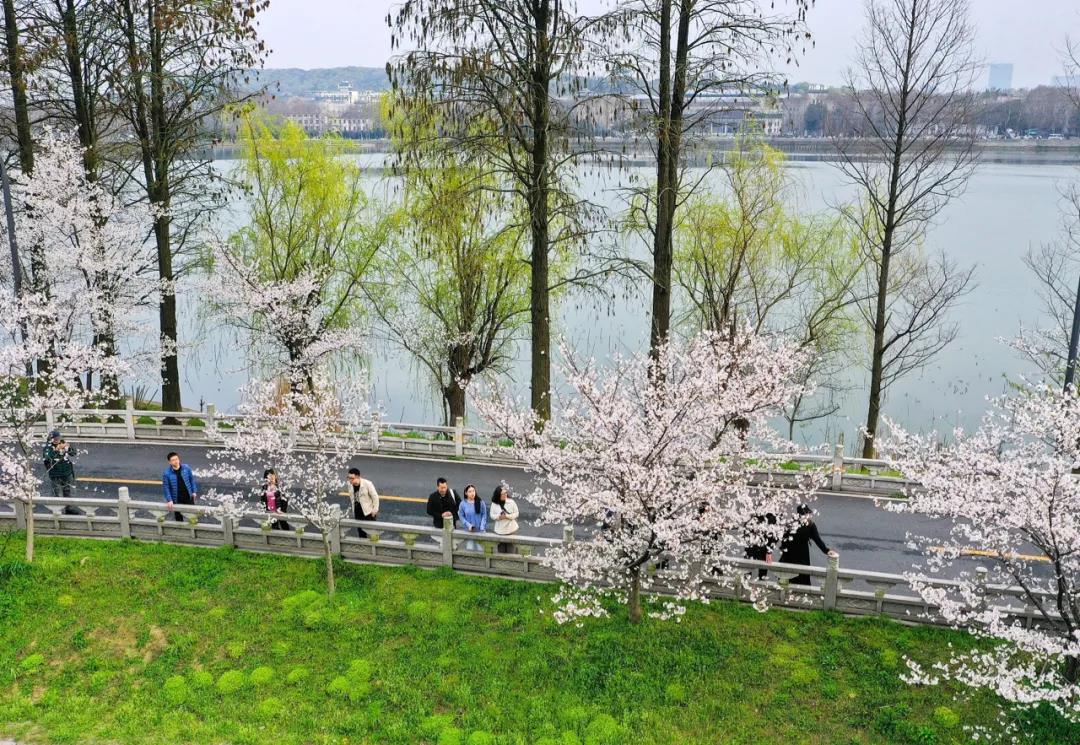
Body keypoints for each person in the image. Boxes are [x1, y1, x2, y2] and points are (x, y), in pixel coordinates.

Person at [778, 504, 839, 586]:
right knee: (798, 581)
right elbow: (817, 540)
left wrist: (826, 550)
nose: (808, 515)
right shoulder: (807, 525)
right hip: (798, 556)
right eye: (807, 514)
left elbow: (784, 541)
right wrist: (826, 550)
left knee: (791, 580)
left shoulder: (795, 523)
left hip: (794, 556)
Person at [43, 430, 79, 515]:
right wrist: (56, 449)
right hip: (55, 474)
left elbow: (73, 453)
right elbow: (48, 458)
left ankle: (69, 508)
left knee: (67, 491)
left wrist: (68, 447)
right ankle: (57, 510)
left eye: (58, 438)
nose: (57, 440)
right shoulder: (48, 447)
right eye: (55, 439)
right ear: (51, 439)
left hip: (66, 472)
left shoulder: (63, 443)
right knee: (56, 493)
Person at [162, 451, 199, 523]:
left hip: (188, 496)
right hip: (177, 499)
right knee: (179, 519)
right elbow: (166, 488)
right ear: (169, 462)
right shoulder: (166, 474)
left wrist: (194, 491)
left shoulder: (186, 468)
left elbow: (191, 480)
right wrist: (169, 500)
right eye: (173, 460)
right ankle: (180, 529)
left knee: (192, 516)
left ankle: (193, 529)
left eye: (177, 459)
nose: (176, 461)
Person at [743, 510, 778, 580]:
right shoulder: (759, 523)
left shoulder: (758, 522)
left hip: (757, 548)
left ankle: (749, 579)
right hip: (758, 548)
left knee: (750, 569)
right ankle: (758, 579)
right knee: (760, 570)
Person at [426, 477, 460, 545]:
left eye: (445, 487)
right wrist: (441, 515)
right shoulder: (433, 497)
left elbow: (460, 505)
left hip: (451, 524)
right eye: (441, 488)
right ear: (437, 487)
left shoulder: (453, 493)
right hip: (439, 525)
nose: (443, 490)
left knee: (452, 543)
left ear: (447, 486)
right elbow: (429, 510)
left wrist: (451, 513)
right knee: (441, 544)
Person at [347, 467, 379, 538]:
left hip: (368, 513)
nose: (350, 480)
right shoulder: (349, 484)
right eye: (348, 478)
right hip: (357, 513)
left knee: (373, 534)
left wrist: (375, 509)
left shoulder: (367, 484)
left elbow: (375, 497)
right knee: (361, 534)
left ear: (358, 477)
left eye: (352, 478)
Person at [490, 484, 519, 554]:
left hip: (511, 529)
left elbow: (516, 513)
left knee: (511, 550)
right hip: (500, 530)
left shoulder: (511, 502)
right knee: (501, 550)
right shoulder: (494, 504)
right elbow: (492, 515)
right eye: (502, 494)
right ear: (498, 495)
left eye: (505, 493)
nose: (505, 495)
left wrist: (507, 516)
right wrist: (499, 517)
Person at [457, 484, 487, 551]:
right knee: (470, 548)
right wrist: (468, 525)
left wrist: (482, 527)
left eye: (473, 491)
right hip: (469, 531)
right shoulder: (463, 504)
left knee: (480, 549)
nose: (472, 493)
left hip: (480, 531)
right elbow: (461, 516)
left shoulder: (481, 502)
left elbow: (484, 515)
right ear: (466, 493)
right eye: (470, 491)